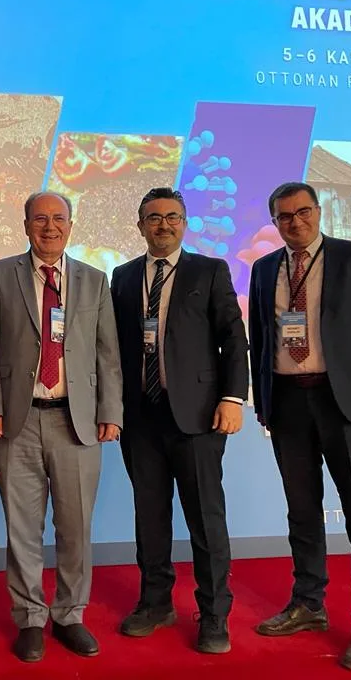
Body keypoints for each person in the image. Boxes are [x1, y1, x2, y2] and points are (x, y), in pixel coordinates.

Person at [248, 182, 351, 671]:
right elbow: (260, 338)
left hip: (345, 403)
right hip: (288, 402)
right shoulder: (264, 269)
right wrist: (264, 403)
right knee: (302, 510)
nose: (295, 222)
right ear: (275, 222)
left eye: (303, 211)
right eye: (284, 216)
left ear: (318, 211)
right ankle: (308, 604)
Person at [0, 191, 123, 663]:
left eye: (59, 218)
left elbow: (107, 353)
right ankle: (30, 618)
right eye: (40, 219)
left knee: (76, 528)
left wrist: (111, 411)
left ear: (71, 225)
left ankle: (70, 614)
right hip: (16, 422)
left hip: (77, 423)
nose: (50, 227)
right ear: (26, 225)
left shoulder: (95, 281)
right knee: (22, 529)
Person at [110, 187, 248, 654]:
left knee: (206, 520)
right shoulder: (123, 276)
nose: (163, 225)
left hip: (199, 417)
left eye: (172, 217)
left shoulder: (210, 271)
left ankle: (214, 614)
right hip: (140, 418)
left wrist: (232, 398)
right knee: (149, 518)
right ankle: (155, 603)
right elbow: (115, 346)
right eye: (153, 217)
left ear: (184, 224)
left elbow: (234, 337)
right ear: (140, 225)